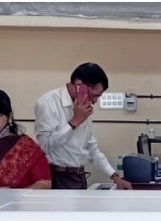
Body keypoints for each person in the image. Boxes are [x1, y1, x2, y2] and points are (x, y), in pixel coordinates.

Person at [34, 62, 132, 190]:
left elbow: (90, 147)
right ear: (79, 84)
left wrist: (115, 177)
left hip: (79, 177)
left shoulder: (84, 105)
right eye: (94, 95)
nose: (95, 101)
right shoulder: (48, 102)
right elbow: (45, 146)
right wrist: (74, 122)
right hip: (57, 177)